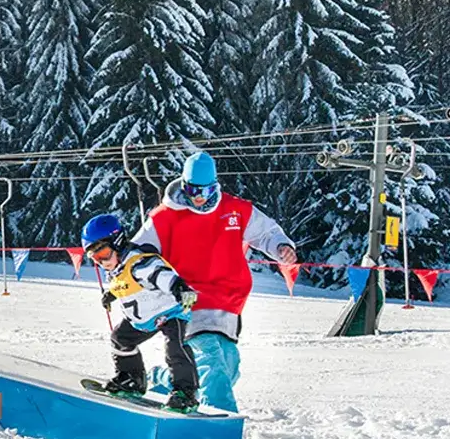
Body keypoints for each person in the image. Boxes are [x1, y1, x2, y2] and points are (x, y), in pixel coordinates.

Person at [133, 151, 297, 412]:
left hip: (228, 303)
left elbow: (267, 232)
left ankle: (162, 378)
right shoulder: (164, 217)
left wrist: (281, 247)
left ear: (216, 186)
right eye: (192, 190)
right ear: (183, 184)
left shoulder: (235, 209)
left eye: (206, 190)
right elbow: (138, 253)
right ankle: (218, 424)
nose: (198, 197)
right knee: (212, 366)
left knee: (228, 368)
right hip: (186, 301)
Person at [82, 213, 200, 411]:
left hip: (169, 312)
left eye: (103, 254)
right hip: (144, 318)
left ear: (117, 242)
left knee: (175, 347)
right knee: (120, 339)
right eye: (95, 258)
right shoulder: (117, 267)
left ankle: (185, 392)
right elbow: (123, 283)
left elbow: (159, 274)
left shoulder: (140, 262)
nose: (102, 262)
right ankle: (132, 379)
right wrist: (111, 294)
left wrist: (178, 287)